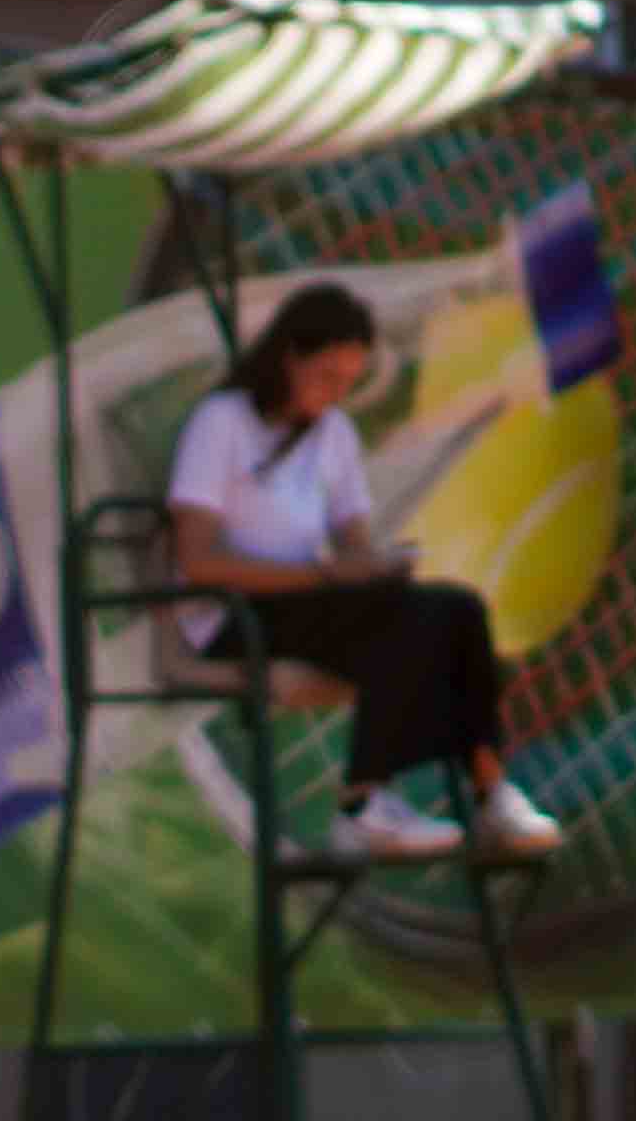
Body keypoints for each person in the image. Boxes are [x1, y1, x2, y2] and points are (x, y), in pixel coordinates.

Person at [164, 285, 566, 873]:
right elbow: (196, 560)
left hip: (314, 605)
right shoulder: (222, 422)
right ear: (289, 358)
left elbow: (354, 547)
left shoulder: (333, 434)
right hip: (236, 614)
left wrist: (377, 566)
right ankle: (363, 806)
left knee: (456, 610)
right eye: (325, 377)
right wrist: (323, 573)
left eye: (348, 382)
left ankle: (488, 792)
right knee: (403, 627)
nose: (335, 394)